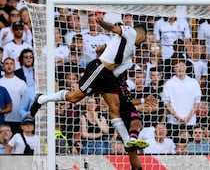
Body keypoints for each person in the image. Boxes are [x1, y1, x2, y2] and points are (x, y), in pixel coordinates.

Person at [30, 17, 148, 170]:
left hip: (108, 76)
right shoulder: (130, 32)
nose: (144, 43)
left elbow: (108, 58)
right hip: (99, 69)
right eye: (145, 40)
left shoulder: (130, 53)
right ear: (143, 35)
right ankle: (42, 99)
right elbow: (114, 29)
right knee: (74, 98)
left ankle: (127, 141)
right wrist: (102, 23)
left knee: (115, 107)